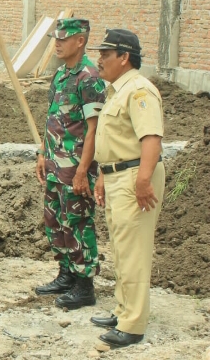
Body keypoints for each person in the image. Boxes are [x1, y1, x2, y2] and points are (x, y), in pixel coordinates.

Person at [88, 29, 165, 348]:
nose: (99, 60)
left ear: (124, 57)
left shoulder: (138, 90)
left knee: (134, 251)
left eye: (105, 55)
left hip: (135, 176)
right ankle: (123, 310)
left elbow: (151, 138)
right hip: (118, 175)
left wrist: (143, 181)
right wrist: (103, 175)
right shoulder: (116, 91)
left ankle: (133, 325)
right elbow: (116, 140)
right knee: (121, 247)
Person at [34, 19, 106, 309]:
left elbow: (94, 129)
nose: (58, 44)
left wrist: (82, 171)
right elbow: (52, 116)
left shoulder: (89, 78)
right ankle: (66, 274)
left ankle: (84, 285)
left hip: (75, 167)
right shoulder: (62, 74)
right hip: (55, 164)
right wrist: (42, 153)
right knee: (55, 221)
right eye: (56, 39)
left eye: (64, 39)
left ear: (80, 41)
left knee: (77, 223)